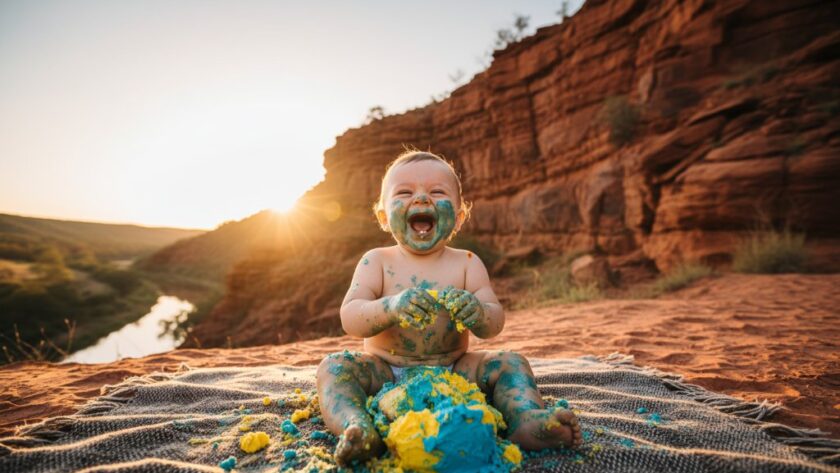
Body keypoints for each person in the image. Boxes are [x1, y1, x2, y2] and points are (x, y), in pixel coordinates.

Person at [315, 150, 582, 466]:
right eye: (404, 192)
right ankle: (357, 426)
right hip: (385, 372)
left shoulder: (467, 263)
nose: (422, 199)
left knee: (511, 362)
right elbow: (351, 316)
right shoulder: (377, 261)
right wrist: (391, 306)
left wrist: (478, 312)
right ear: (384, 217)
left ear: (457, 217)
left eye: (437, 192)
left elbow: (494, 320)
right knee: (334, 367)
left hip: (456, 371)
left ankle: (526, 419)